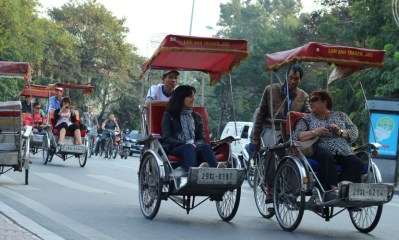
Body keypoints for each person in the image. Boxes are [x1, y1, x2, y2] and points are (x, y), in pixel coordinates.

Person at [252, 64, 311, 199]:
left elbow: (308, 115)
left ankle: (293, 188)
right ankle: (270, 187)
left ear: (300, 80)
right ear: (286, 76)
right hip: (270, 128)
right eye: (290, 77)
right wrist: (255, 137)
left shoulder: (303, 95)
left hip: (290, 133)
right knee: (273, 149)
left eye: (296, 79)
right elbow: (260, 114)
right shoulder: (270, 90)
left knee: (296, 154)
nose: (292, 81)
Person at [292, 90, 363, 200]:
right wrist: (315, 132)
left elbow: (354, 133)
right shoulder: (308, 118)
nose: (311, 103)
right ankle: (332, 189)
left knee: (357, 162)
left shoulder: (341, 116)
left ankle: (344, 188)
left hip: (343, 150)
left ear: (324, 101)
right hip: (320, 149)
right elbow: (296, 136)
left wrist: (339, 131)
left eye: (314, 100)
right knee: (326, 156)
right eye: (310, 100)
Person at [161, 85, 222, 175]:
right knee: (188, 147)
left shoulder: (196, 116)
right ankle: (192, 175)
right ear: (181, 98)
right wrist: (185, 143)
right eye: (190, 96)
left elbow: (202, 138)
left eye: (194, 96)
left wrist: (195, 144)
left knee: (206, 146)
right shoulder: (169, 115)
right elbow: (167, 138)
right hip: (176, 147)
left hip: (194, 145)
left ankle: (217, 172)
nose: (193, 99)